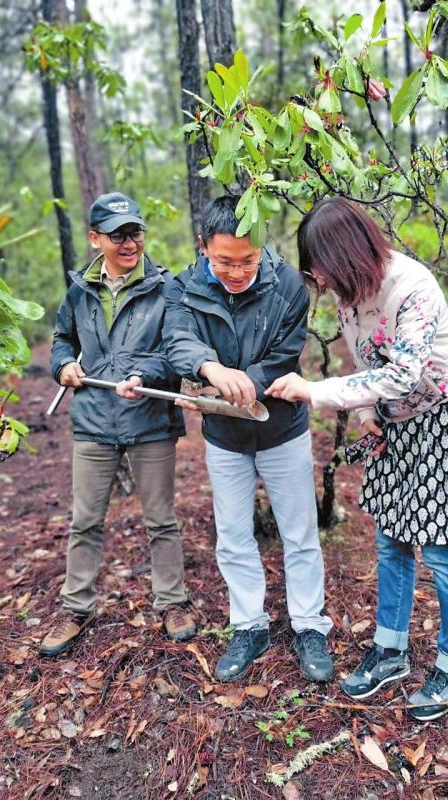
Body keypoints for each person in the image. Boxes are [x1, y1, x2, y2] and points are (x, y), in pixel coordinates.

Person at [266, 197, 448, 721]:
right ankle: (390, 650)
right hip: (393, 424)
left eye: (319, 262)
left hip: (441, 418)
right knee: (391, 542)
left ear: (345, 252)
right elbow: (367, 362)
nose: (317, 276)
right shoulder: (349, 297)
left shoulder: (413, 287)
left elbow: (405, 373)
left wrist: (314, 390)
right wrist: (367, 411)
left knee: (442, 550)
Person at [163, 195, 333, 683]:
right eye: (224, 262)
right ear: (203, 249)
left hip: (282, 431)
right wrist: (210, 368)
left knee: (299, 533)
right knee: (234, 535)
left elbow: (285, 355)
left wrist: (245, 382)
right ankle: (249, 625)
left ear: (262, 246)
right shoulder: (185, 287)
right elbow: (177, 340)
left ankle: (308, 626)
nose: (237, 272)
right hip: (222, 437)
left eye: (247, 261)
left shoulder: (290, 287)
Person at [41, 192, 195, 657]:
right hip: (92, 419)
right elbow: (61, 339)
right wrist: (63, 365)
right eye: (117, 235)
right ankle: (76, 607)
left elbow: (178, 353)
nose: (130, 243)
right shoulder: (79, 290)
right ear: (95, 239)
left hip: (149, 418)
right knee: (84, 521)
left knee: (161, 520)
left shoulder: (167, 287)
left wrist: (145, 374)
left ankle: (172, 602)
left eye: (135, 233)